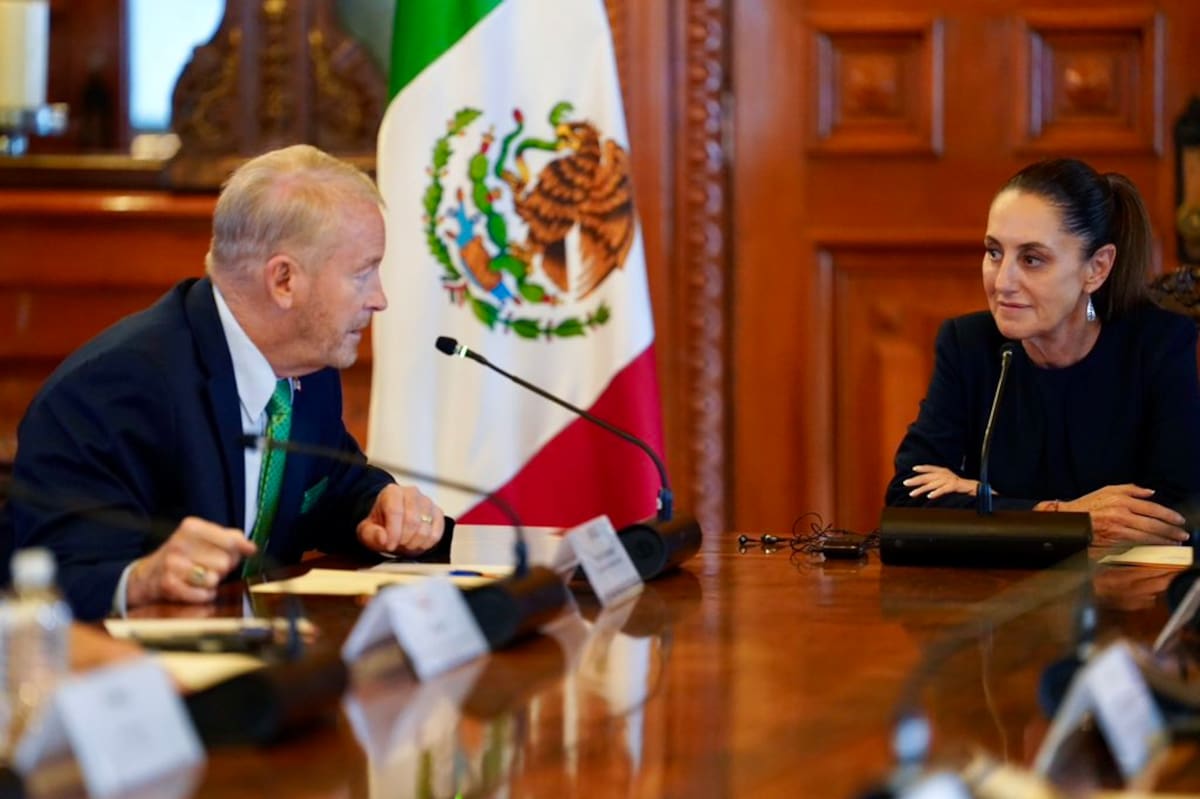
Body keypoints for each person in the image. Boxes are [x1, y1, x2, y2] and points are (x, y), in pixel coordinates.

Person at [9, 145, 447, 620]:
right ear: (283, 281)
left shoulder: (309, 370)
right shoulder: (114, 389)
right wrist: (142, 578)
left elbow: (330, 481)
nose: (379, 299)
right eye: (362, 274)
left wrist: (377, 506)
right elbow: (48, 577)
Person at [885, 158, 1200, 546]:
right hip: (998, 593)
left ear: (1096, 269)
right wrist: (1064, 515)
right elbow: (907, 502)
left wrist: (980, 497)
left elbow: (1175, 516)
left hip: (1127, 594)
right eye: (994, 252)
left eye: (1032, 259)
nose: (1003, 282)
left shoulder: (1157, 345)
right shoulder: (968, 345)